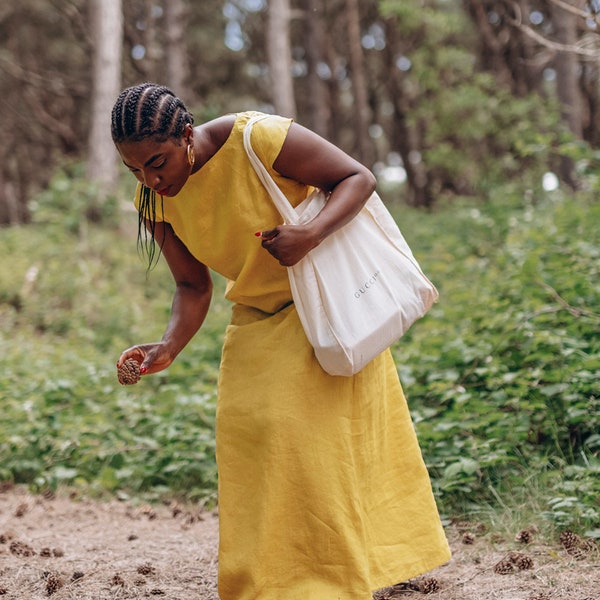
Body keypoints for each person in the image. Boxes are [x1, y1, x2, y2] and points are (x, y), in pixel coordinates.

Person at [111, 82, 451, 600]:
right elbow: (192, 284)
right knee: (247, 442)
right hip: (254, 317)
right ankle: (264, 583)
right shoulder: (152, 199)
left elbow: (357, 177)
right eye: (135, 170)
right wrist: (167, 346)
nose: (150, 180)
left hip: (326, 312)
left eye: (156, 162)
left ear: (186, 135)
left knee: (313, 447)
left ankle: (323, 584)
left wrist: (311, 233)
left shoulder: (258, 138)